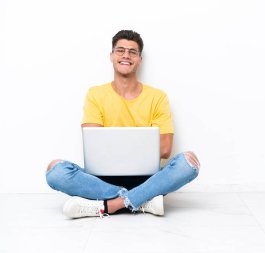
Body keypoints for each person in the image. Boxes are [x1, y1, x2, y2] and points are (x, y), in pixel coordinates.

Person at [45, 30, 200, 218]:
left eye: (132, 52)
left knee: (189, 163)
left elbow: (166, 149)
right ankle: (141, 200)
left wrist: (117, 147)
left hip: (147, 178)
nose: (126, 55)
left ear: (140, 59)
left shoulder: (157, 97)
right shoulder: (96, 94)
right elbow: (94, 145)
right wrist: (137, 145)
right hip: (101, 180)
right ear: (111, 56)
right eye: (120, 50)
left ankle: (110, 205)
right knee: (55, 171)